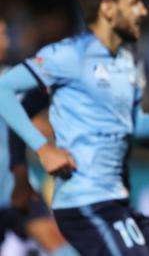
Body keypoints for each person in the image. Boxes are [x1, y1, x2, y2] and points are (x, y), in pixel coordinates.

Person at [0, 0, 149, 255]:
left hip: (118, 203)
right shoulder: (69, 54)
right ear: (109, 10)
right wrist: (42, 148)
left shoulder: (130, 62)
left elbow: (130, 125)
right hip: (85, 203)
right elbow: (3, 90)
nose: (144, 11)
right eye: (134, 2)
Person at [0, 19, 78, 255]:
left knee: (57, 244)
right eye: (1, 34)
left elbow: (30, 117)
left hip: (17, 187)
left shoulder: (11, 79)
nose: (6, 41)